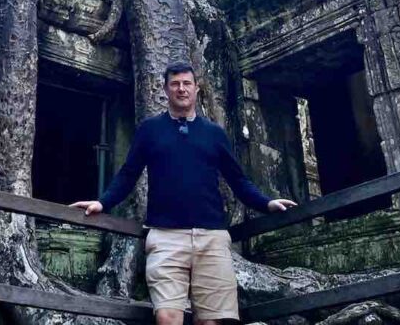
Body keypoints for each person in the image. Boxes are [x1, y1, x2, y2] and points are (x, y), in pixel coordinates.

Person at [71, 61, 297, 324]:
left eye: (186, 83)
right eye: (175, 84)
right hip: (166, 237)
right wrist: (102, 202)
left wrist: (267, 203)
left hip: (211, 237)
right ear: (165, 89)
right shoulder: (150, 130)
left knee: (211, 320)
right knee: (167, 316)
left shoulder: (214, 133)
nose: (181, 89)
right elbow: (127, 174)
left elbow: (238, 180)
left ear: (196, 88)